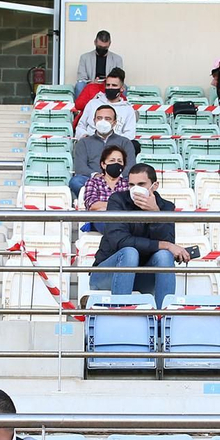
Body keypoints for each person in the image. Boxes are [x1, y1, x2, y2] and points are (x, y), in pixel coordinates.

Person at [90, 163, 192, 302]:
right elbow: (120, 242)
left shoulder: (166, 207)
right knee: (130, 253)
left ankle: (164, 317)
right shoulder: (118, 200)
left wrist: (156, 214)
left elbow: (167, 240)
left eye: (141, 184)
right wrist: (165, 245)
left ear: (154, 186)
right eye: (131, 185)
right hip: (108, 272)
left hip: (143, 274)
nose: (135, 189)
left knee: (164, 256)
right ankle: (121, 314)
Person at [70, 105, 134, 198]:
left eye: (107, 118)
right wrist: (97, 176)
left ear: (114, 122)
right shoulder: (83, 142)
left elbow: (130, 166)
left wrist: (114, 177)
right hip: (92, 179)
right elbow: (80, 167)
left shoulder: (125, 142)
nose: (103, 121)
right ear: (94, 120)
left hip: (118, 179)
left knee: (132, 183)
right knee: (76, 181)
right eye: (99, 118)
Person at [73, 70, 137, 141]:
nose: (110, 88)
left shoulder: (128, 110)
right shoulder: (93, 103)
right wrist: (85, 136)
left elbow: (129, 135)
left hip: (115, 148)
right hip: (91, 144)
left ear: (122, 89)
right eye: (108, 85)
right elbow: (81, 126)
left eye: (114, 85)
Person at [82, 143, 132, 211]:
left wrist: (105, 206)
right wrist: (119, 206)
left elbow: (131, 206)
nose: (116, 163)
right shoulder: (93, 182)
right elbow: (92, 205)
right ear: (103, 165)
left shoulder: (128, 184)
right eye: (112, 160)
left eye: (119, 161)